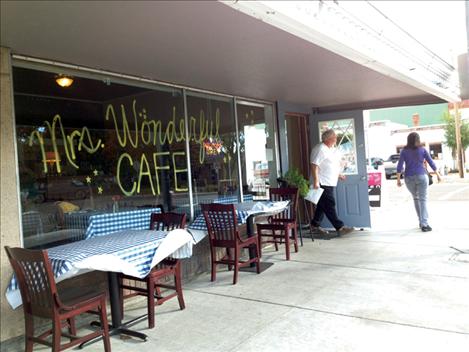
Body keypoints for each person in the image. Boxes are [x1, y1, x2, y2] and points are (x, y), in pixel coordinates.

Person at [310, 129, 354, 237]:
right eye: (334, 137)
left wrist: (338, 175)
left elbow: (329, 165)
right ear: (328, 138)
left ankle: (315, 225)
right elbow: (314, 164)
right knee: (329, 204)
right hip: (322, 182)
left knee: (322, 205)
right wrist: (316, 181)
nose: (336, 139)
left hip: (329, 182)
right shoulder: (320, 149)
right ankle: (340, 227)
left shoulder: (328, 149)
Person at [396, 132, 441, 232]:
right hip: (421, 176)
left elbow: (400, 166)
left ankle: (421, 222)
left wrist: (398, 179)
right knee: (423, 199)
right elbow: (430, 162)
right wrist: (437, 174)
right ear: (418, 140)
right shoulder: (422, 149)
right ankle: (424, 223)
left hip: (408, 178)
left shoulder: (404, 151)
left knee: (416, 198)